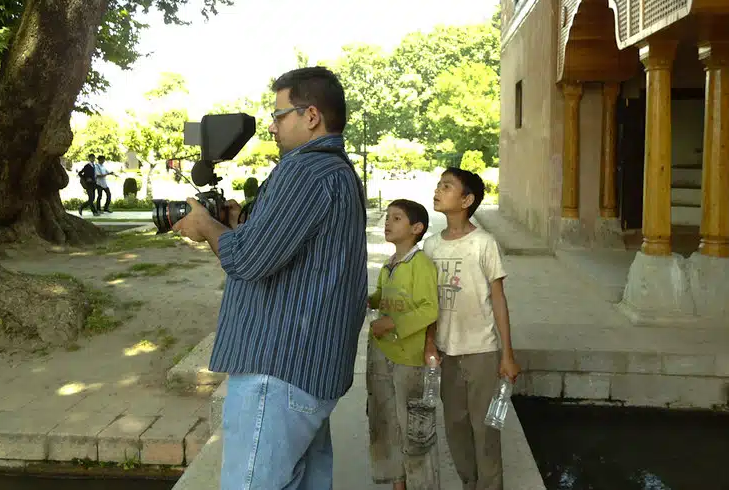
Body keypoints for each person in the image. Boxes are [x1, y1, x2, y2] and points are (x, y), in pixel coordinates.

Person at [171, 66, 367, 490]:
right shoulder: (338, 172)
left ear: (311, 115)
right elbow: (286, 247)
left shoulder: (305, 172)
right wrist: (238, 222)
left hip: (278, 370)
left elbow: (248, 260)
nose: (273, 127)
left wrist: (206, 226)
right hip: (310, 369)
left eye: (280, 116)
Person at [423, 167, 521, 490]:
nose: (438, 190)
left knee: (486, 428)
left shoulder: (484, 244)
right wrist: (429, 344)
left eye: (447, 186)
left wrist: (507, 355)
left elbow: (498, 299)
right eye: (439, 185)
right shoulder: (431, 247)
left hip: (482, 351)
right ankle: (471, 481)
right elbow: (428, 303)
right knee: (455, 424)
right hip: (446, 351)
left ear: (466, 200)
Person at [367, 199, 439, 490]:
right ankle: (399, 482)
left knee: (415, 428)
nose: (388, 223)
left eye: (396, 218)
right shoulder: (390, 264)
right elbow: (381, 298)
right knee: (386, 422)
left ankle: (421, 483)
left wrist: (392, 323)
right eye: (387, 217)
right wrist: (366, 301)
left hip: (409, 360)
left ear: (416, 228)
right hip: (383, 354)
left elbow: (429, 308)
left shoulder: (420, 264)